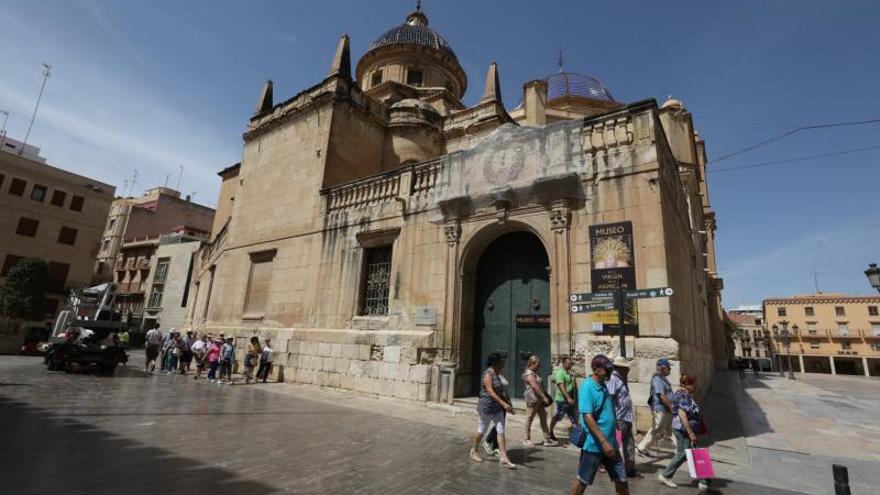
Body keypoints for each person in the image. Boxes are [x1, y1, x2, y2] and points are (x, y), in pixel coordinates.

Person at [570, 355, 629, 495]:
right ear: (595, 369)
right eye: (606, 369)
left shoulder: (603, 385)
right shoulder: (587, 387)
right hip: (594, 446)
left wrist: (615, 425)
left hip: (611, 444)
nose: (609, 372)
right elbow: (588, 416)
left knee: (622, 479)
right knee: (583, 481)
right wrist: (604, 442)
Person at [657, 374, 709, 491]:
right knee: (683, 453)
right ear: (687, 385)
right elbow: (682, 415)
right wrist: (691, 433)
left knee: (693, 452)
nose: (694, 387)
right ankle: (665, 475)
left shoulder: (684, 395)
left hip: (684, 428)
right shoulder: (683, 396)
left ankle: (704, 480)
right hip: (683, 429)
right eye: (692, 384)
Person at [469, 352, 516, 469]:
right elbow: (490, 391)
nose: (503, 363)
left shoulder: (497, 373)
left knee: (500, 430)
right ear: (495, 363)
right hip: (487, 407)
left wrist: (508, 403)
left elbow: (501, 390)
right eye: (501, 361)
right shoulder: (488, 374)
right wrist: (504, 404)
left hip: (497, 408)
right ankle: (473, 450)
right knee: (482, 429)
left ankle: (504, 457)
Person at [607, 356, 639, 478]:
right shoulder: (613, 379)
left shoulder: (621, 379)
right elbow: (610, 399)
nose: (628, 370)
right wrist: (614, 419)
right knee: (616, 445)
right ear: (619, 368)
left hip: (626, 418)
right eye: (626, 368)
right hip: (619, 419)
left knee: (630, 444)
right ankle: (611, 467)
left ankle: (630, 470)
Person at [637, 358, 676, 458]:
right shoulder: (657, 379)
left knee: (670, 429)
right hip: (661, 409)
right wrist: (671, 406)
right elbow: (662, 396)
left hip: (666, 409)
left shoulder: (663, 378)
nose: (670, 370)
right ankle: (642, 447)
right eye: (668, 368)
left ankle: (679, 449)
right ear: (663, 368)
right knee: (656, 429)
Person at [522, 355, 556, 447]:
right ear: (533, 363)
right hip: (533, 399)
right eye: (538, 363)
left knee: (543, 416)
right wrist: (544, 397)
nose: (539, 365)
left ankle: (546, 438)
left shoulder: (535, 373)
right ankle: (526, 439)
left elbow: (540, 386)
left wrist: (544, 395)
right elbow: (535, 387)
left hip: (539, 399)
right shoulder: (529, 374)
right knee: (529, 418)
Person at [550, 356, 578, 441]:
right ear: (563, 363)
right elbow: (561, 386)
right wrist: (568, 398)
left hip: (571, 399)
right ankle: (550, 431)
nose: (570, 365)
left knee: (573, 417)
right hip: (562, 400)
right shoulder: (560, 373)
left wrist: (575, 398)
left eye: (571, 363)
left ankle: (577, 436)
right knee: (558, 416)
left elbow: (574, 386)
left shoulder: (569, 373)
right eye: (568, 363)